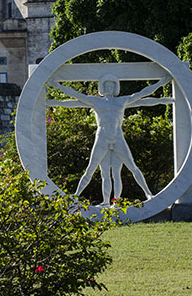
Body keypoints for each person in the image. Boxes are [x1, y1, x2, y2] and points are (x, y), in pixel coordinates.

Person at [47, 74, 168, 205]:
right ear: (102, 88)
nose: (109, 87)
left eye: (112, 85)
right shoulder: (96, 101)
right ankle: (78, 196)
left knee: (131, 167)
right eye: (106, 85)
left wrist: (161, 83)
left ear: (116, 87)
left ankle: (148, 193)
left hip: (117, 137)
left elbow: (142, 94)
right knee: (92, 169)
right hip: (103, 137)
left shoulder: (122, 101)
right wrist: (57, 86)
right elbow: (77, 96)